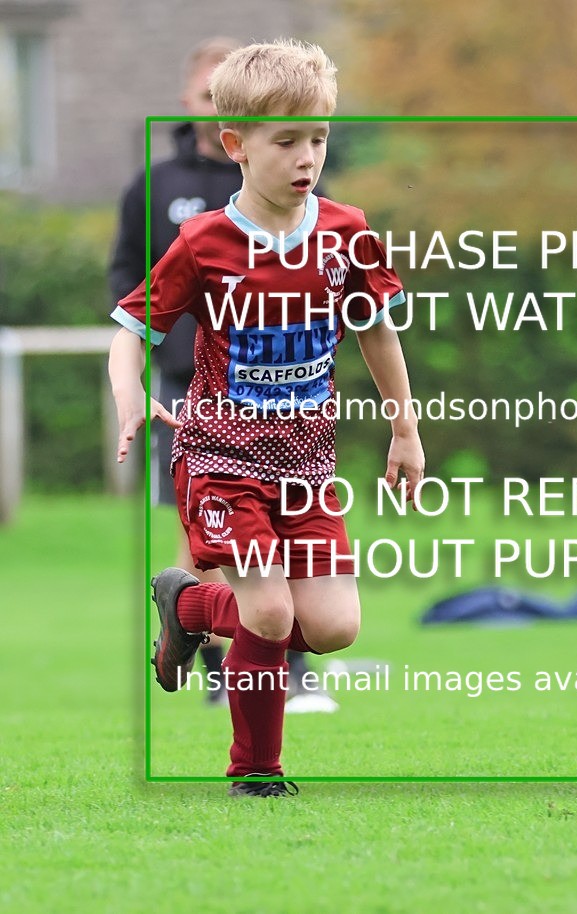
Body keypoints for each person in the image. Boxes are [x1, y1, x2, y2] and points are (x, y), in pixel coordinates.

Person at [108, 38, 424, 796]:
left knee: (333, 627)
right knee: (272, 614)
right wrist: (131, 396)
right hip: (220, 458)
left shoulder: (346, 231)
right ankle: (258, 772)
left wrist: (405, 428)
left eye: (318, 137)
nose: (306, 156)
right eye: (286, 141)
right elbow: (131, 330)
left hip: (306, 465)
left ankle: (186, 602)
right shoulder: (203, 241)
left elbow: (376, 328)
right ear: (236, 145)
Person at [108, 36, 316, 706]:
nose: (303, 154)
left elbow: (330, 282)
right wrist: (140, 368)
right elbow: (129, 287)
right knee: (204, 534)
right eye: (205, 94)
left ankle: (229, 634)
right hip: (192, 393)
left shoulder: (285, 181)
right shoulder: (157, 186)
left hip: (286, 403)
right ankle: (234, 672)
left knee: (290, 546)